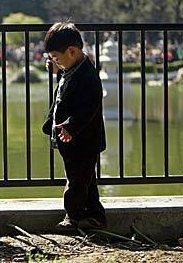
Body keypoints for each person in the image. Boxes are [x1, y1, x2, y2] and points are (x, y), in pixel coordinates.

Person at [42, 22, 107, 230]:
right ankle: (95, 216)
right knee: (85, 179)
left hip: (82, 139)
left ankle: (73, 216)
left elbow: (88, 108)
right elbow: (65, 82)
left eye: (57, 58)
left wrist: (71, 126)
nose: (56, 62)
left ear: (72, 51)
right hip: (70, 138)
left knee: (76, 180)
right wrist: (56, 68)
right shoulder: (71, 68)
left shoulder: (89, 77)